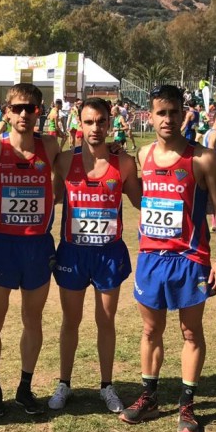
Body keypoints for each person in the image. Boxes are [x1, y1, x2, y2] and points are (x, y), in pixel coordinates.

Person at [119, 84, 216, 432]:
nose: (167, 119)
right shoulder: (143, 155)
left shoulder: (202, 158)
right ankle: (149, 396)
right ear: (150, 117)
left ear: (185, 114)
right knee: (151, 329)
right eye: (160, 113)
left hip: (190, 258)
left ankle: (187, 404)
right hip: (151, 258)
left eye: (173, 112)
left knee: (190, 331)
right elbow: (138, 198)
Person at [48, 98, 141, 413]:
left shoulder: (124, 163)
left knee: (106, 321)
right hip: (73, 253)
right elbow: (47, 192)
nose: (95, 128)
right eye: (89, 122)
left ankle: (106, 385)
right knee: (70, 321)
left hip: (108, 254)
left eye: (101, 121)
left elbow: (141, 201)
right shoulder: (63, 161)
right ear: (79, 123)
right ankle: (64, 384)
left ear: (109, 122)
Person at [0, 83, 61, 416]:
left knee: (33, 319)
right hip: (2, 245)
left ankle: (25, 388)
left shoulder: (51, 146)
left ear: (40, 111)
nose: (24, 114)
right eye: (18, 108)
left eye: (31, 108)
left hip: (38, 245)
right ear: (7, 111)